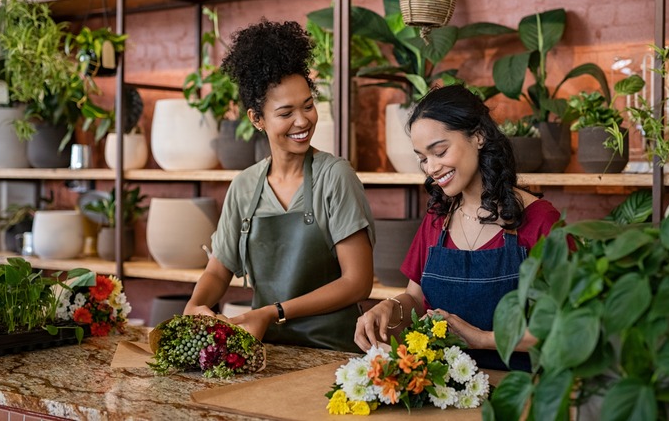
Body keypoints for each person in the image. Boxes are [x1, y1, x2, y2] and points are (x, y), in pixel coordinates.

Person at [184, 19, 375, 353]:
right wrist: (194, 307)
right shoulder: (244, 187)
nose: (302, 121)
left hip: (332, 353)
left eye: (308, 105)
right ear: (257, 119)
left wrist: (273, 313)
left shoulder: (335, 176)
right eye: (286, 112)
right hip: (268, 351)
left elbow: (357, 282)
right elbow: (218, 271)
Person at [354, 85, 562, 370]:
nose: (431, 168)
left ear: (478, 136)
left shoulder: (540, 221)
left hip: (516, 390)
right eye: (423, 158)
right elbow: (415, 297)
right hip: (441, 388)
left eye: (440, 151)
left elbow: (567, 326)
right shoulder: (439, 219)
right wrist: (390, 307)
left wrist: (483, 338)